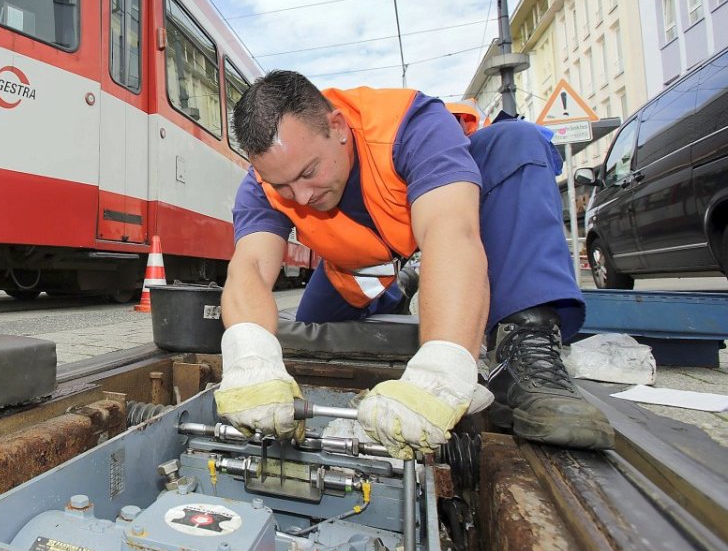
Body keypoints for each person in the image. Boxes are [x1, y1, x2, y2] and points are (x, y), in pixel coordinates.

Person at [216, 70, 613, 459]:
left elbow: (451, 232)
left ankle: (527, 346)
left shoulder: (410, 125)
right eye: (283, 186)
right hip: (359, 260)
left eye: (308, 172)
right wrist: (251, 361)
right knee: (314, 327)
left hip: (435, 229)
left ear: (336, 126)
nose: (300, 197)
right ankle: (402, 285)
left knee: (515, 141)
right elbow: (249, 266)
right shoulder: (262, 183)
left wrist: (442, 370)